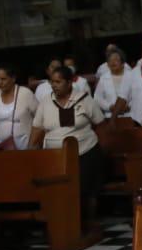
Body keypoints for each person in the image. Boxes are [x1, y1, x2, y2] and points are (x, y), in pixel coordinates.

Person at [31, 64, 107, 225]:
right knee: (59, 192)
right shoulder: (45, 102)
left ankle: (86, 224)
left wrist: (104, 148)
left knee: (83, 191)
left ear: (69, 82)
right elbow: (37, 128)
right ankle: (66, 225)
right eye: (52, 82)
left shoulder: (84, 99)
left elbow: (100, 124)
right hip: (56, 157)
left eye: (58, 82)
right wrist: (31, 150)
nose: (54, 86)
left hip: (85, 153)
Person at [0, 62, 39, 150]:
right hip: (2, 146)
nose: (0, 82)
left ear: (13, 78)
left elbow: (40, 117)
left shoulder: (25, 93)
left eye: (3, 79)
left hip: (25, 147)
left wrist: (33, 144)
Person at [94, 45, 135, 120]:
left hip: (130, 115)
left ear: (123, 63)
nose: (113, 62)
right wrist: (109, 106)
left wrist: (129, 106)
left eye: (116, 59)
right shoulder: (103, 78)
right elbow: (97, 98)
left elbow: (138, 95)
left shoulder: (132, 76)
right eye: (110, 60)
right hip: (110, 116)